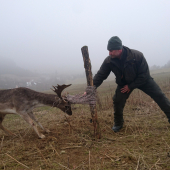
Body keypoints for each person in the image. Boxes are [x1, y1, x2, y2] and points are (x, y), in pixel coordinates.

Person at [93, 36, 170, 132]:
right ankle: (118, 123)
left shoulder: (137, 56)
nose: (109, 53)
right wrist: (91, 88)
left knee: (159, 96)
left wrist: (131, 86)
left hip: (143, 81)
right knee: (117, 101)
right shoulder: (109, 61)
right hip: (124, 83)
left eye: (111, 50)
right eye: (109, 50)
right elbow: (100, 75)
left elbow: (144, 75)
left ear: (119, 49)